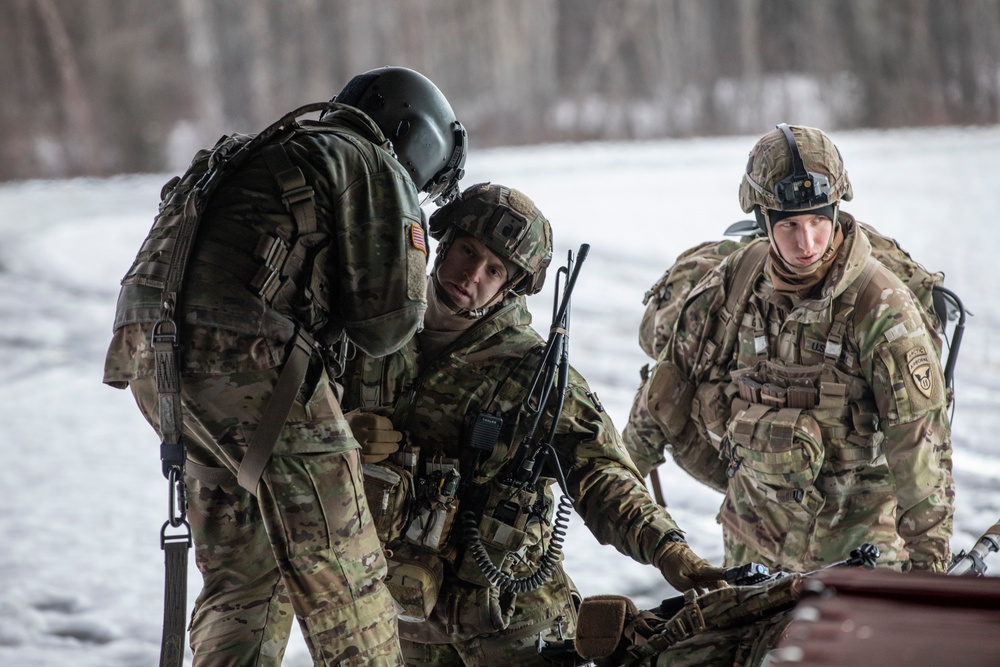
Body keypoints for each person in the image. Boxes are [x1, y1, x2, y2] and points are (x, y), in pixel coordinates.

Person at [103, 66, 467, 666]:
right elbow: (389, 324)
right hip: (250, 371)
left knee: (243, 577)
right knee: (346, 573)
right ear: (418, 140)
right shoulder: (368, 160)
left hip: (153, 367)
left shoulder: (262, 152)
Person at [339, 182, 727, 666]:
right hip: (401, 620)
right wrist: (340, 435)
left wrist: (667, 548)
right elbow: (279, 427)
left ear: (510, 285)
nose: (471, 274)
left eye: (494, 269)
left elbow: (601, 475)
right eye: (467, 250)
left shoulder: (533, 372)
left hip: (516, 627)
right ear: (443, 242)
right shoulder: (372, 340)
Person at [625, 124, 954, 575]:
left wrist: (929, 574)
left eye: (820, 221)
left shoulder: (881, 305)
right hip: (750, 539)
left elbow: (920, 452)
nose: (807, 244)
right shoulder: (738, 279)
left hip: (857, 550)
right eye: (791, 226)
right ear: (763, 221)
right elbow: (669, 382)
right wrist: (620, 483)